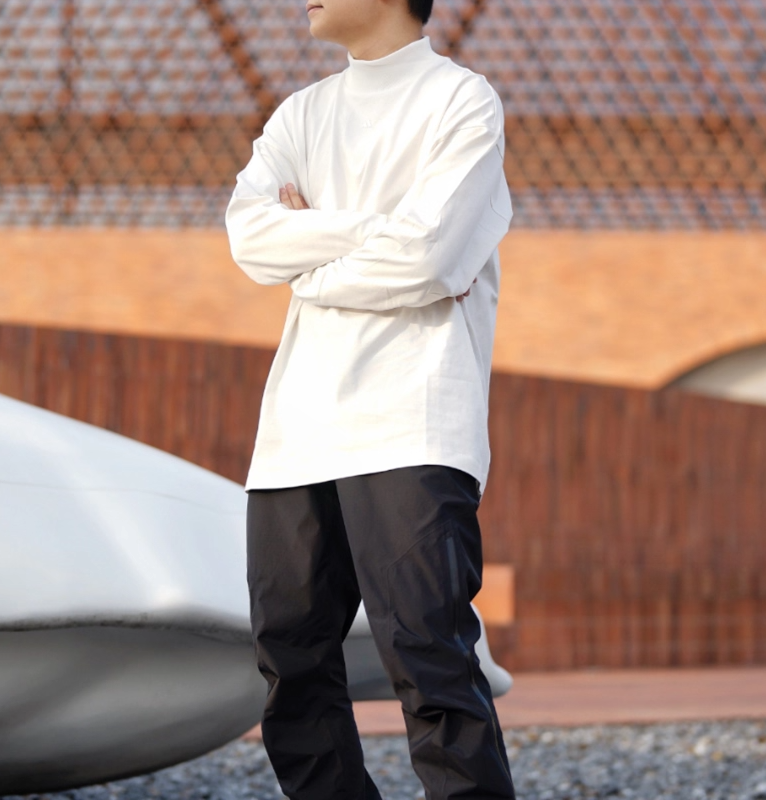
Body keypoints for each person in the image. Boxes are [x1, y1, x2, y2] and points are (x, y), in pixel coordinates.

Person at [225, 0, 515, 796]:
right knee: (290, 660)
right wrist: (381, 230)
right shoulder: (300, 114)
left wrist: (311, 259)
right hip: (296, 432)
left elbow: (428, 260)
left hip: (412, 421)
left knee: (429, 655)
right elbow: (249, 237)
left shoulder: (461, 101)